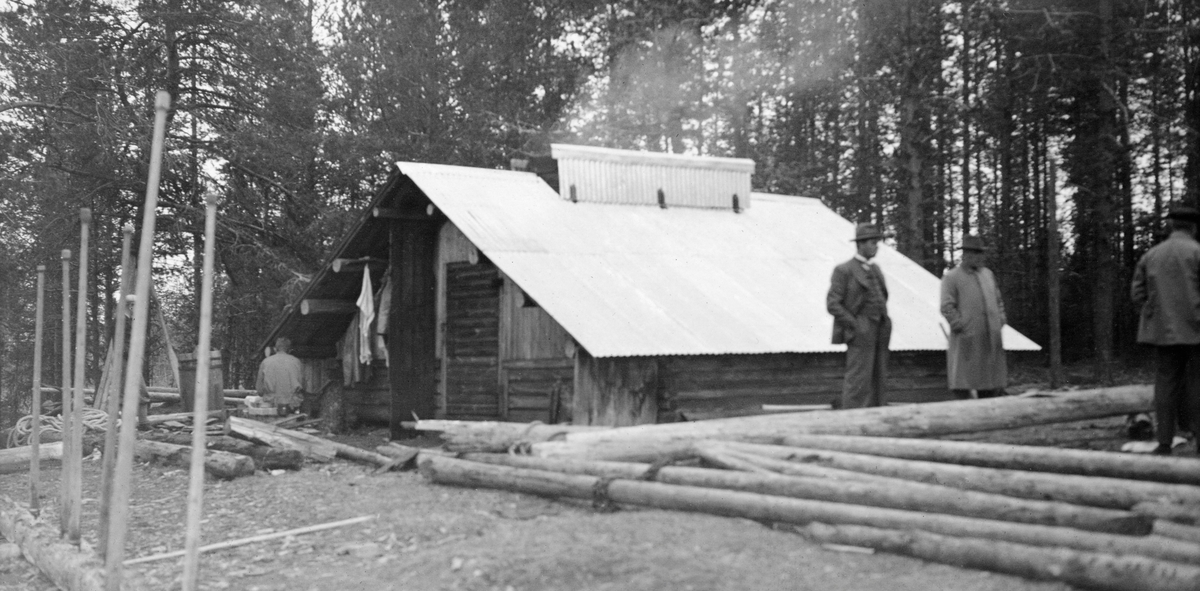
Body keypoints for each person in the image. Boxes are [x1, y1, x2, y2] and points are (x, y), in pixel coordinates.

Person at [1131, 206, 1200, 456]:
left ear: (1172, 226)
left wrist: (1155, 315)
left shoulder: (1152, 255)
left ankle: (1163, 443)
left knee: (1166, 385)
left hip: (1163, 332)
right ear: (1193, 228)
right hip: (1196, 330)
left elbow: (1137, 294)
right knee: (1196, 384)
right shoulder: (1196, 252)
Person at [827, 223, 892, 409]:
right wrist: (855, 324)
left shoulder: (876, 269)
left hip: (880, 328)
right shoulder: (844, 270)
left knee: (879, 375)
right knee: (859, 377)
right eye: (872, 242)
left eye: (877, 242)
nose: (876, 246)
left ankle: (877, 415)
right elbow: (833, 304)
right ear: (860, 244)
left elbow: (883, 296)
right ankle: (853, 418)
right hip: (860, 330)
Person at [940, 235, 1008, 399]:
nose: (980, 257)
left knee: (989, 382)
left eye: (981, 253)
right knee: (963, 381)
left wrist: (1000, 320)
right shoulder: (952, 277)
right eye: (976, 254)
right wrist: (960, 325)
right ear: (965, 255)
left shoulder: (988, 275)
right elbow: (947, 306)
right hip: (967, 338)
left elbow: (998, 301)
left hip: (990, 337)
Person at [256, 336, 304, 415]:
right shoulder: (297, 362)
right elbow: (302, 385)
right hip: (292, 406)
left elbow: (259, 390)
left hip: (271, 405)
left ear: (275, 349)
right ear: (289, 350)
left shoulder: (265, 362)